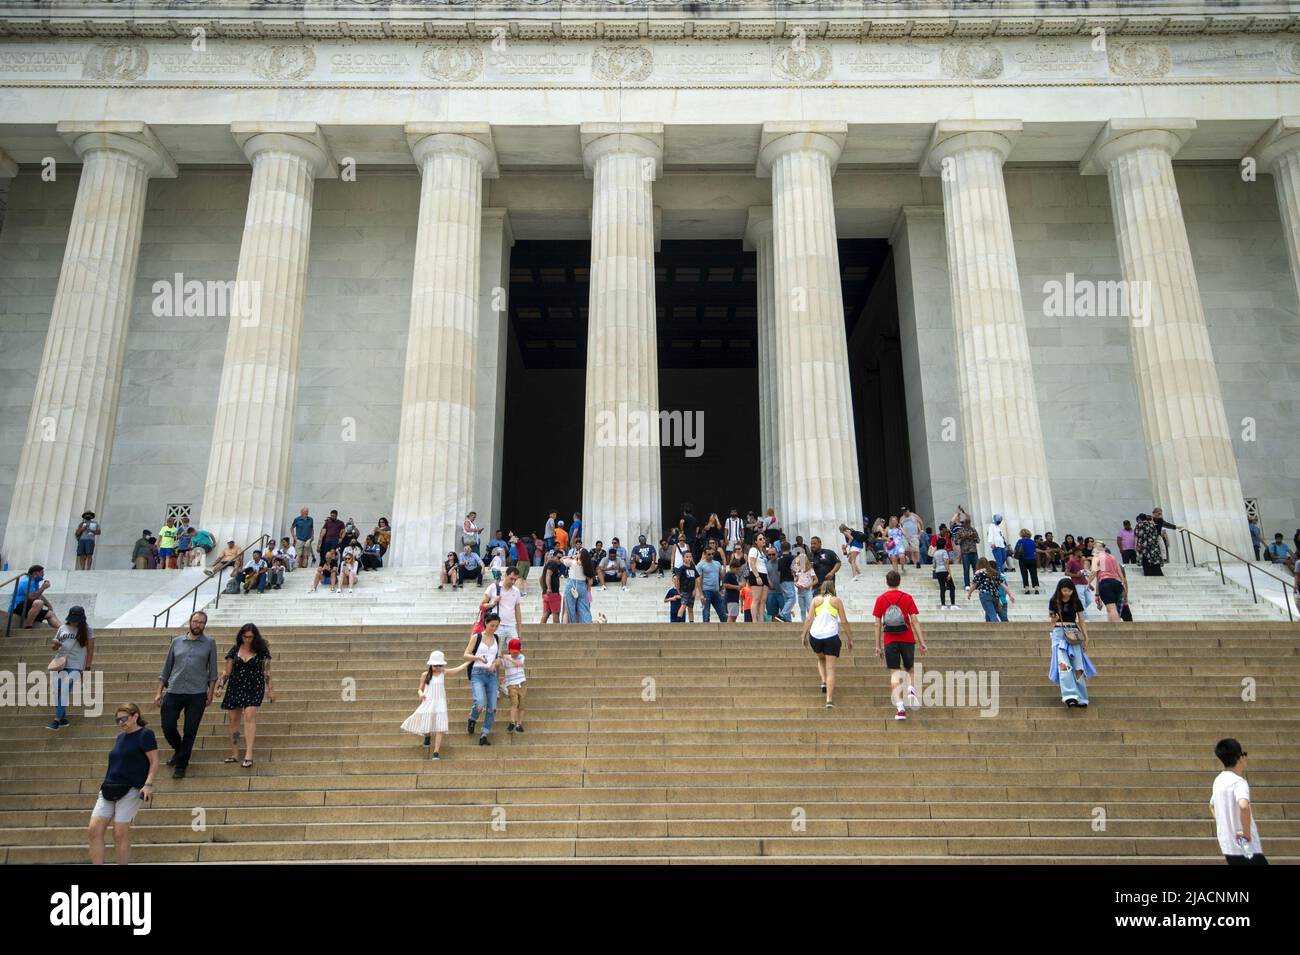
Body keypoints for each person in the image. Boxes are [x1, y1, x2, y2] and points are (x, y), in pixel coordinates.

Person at [88, 703, 158, 865]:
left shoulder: (145, 734)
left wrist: (148, 784)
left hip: (131, 789)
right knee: (94, 830)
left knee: (119, 833)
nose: (121, 722)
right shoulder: (120, 738)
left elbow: (154, 762)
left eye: (124, 719)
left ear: (135, 717)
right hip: (109, 787)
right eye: (117, 720)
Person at [153, 610, 217, 779]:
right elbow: (167, 667)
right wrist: (159, 691)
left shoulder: (210, 643)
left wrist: (210, 692)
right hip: (174, 689)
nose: (198, 625)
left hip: (197, 693)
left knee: (190, 730)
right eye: (195, 621)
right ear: (190, 622)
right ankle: (179, 749)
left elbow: (213, 671)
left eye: (202, 623)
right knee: (168, 726)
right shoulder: (177, 642)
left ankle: (181, 765)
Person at [215, 623, 274, 768]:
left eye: (250, 637)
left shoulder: (262, 651)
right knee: (233, 720)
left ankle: (248, 754)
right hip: (235, 687)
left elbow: (266, 672)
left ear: (255, 637)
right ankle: (235, 753)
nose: (247, 639)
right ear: (241, 636)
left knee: (249, 716)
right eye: (245, 636)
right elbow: (226, 671)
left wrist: (271, 689)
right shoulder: (235, 650)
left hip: (254, 687)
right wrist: (220, 686)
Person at [874, 569, 926, 721]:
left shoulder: (881, 599)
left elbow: (877, 624)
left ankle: (900, 708)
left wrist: (877, 645)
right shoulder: (907, 597)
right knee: (909, 668)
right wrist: (922, 642)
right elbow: (914, 620)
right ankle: (910, 689)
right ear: (899, 581)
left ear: (887, 582)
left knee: (895, 673)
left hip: (890, 640)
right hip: (907, 638)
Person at [401, 650, 471, 760]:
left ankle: (436, 752)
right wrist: (421, 694)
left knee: (440, 726)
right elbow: (420, 689)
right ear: (431, 664)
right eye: (436, 665)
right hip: (428, 701)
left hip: (440, 703)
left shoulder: (443, 672)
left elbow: (456, 670)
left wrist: (467, 663)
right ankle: (427, 736)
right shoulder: (425, 675)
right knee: (426, 723)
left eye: (440, 665)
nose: (438, 667)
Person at [1211, 739, 1266, 865]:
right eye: (1244, 754)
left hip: (1227, 845)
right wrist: (1246, 834)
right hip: (1246, 847)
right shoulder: (1238, 782)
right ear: (1239, 757)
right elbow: (1244, 806)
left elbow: (1212, 805)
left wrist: (1224, 825)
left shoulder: (1218, 781)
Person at [801, 581, 853, 708]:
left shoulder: (815, 600)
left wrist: (803, 635)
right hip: (831, 636)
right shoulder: (836, 601)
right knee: (831, 668)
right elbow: (844, 621)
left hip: (816, 636)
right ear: (833, 589)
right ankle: (829, 699)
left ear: (822, 589)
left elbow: (809, 619)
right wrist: (850, 638)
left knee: (820, 658)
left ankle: (823, 681)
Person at [1047, 578, 1095, 708]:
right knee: (1064, 665)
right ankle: (1070, 696)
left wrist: (1086, 637)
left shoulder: (1076, 601)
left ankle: (1082, 697)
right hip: (1059, 634)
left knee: (1078, 666)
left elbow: (1081, 620)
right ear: (1060, 590)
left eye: (1069, 590)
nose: (1067, 593)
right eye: (1064, 590)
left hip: (1074, 634)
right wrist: (1054, 619)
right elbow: (1050, 622)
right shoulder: (1054, 601)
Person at [47, 605, 93, 731]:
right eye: (72, 618)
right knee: (57, 691)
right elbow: (54, 648)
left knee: (65, 689)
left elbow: (90, 650)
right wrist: (56, 644)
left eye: (76, 619)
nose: (74, 621)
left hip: (76, 666)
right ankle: (63, 719)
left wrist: (87, 669)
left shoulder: (87, 630)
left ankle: (56, 720)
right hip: (60, 663)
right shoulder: (62, 627)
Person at [464, 612, 504, 745]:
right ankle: (472, 718)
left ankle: (484, 734)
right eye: (492, 625)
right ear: (486, 623)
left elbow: (498, 657)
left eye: (496, 626)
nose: (494, 628)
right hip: (478, 673)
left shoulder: (497, 638)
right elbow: (466, 655)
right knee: (480, 703)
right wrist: (478, 657)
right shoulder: (477, 637)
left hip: (491, 674)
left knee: (492, 707)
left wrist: (494, 664)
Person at [482, 566, 524, 647]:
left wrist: (519, 630)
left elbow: (518, 611)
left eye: (515, 579)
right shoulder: (493, 587)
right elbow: (482, 605)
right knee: (497, 652)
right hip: (497, 625)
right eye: (511, 578)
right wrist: (493, 603)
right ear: (505, 575)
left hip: (511, 625)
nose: (513, 581)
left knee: (515, 651)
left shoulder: (516, 591)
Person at [9, 564, 60, 629]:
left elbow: (39, 595)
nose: (43, 574)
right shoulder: (27, 581)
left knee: (50, 614)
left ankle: (64, 630)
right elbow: (31, 597)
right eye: (42, 572)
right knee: (39, 602)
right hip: (17, 608)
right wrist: (43, 587)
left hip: (28, 609)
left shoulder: (34, 582)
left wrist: (49, 605)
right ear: (36, 573)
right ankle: (28, 626)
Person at [1090, 542, 1128, 622]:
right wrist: (1123, 584)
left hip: (1105, 583)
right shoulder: (1113, 557)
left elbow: (1094, 573)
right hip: (1117, 583)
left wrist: (1088, 583)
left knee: (1111, 609)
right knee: (1111, 609)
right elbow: (1120, 573)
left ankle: (1117, 630)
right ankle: (1112, 626)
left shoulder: (1096, 557)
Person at [966, 557, 1010, 622]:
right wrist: (1010, 594)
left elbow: (974, 585)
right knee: (989, 614)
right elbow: (1003, 585)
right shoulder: (994, 572)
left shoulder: (978, 573)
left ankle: (998, 628)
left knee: (992, 615)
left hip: (985, 595)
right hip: (995, 595)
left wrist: (969, 593)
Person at [502, 638, 527, 734]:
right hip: (511, 684)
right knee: (514, 703)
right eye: (513, 652)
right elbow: (499, 663)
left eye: (516, 652)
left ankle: (519, 724)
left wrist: (510, 658)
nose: (515, 654)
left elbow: (519, 664)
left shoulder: (521, 657)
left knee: (522, 705)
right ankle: (512, 722)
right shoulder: (506, 658)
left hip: (522, 683)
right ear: (509, 650)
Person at [563, 549, 595, 624]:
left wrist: (571, 557)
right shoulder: (587, 565)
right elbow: (590, 581)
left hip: (572, 585)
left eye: (578, 552)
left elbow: (562, 559)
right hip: (583, 586)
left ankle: (572, 626)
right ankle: (587, 624)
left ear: (580, 555)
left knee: (570, 609)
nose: (577, 553)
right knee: (584, 608)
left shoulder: (572, 562)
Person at [697, 546, 726, 623]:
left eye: (712, 554)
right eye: (709, 554)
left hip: (716, 591)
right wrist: (701, 594)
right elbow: (698, 580)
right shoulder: (701, 565)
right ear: (704, 554)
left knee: (722, 613)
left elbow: (722, 576)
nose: (711, 556)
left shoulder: (717, 564)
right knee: (706, 613)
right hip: (706, 591)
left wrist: (723, 587)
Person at [745, 533, 770, 624]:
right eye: (760, 539)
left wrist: (768, 579)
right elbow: (752, 563)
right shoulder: (753, 550)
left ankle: (761, 620)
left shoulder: (762, 552)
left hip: (764, 574)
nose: (763, 540)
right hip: (757, 574)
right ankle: (755, 621)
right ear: (755, 541)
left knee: (763, 600)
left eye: (763, 538)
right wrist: (757, 576)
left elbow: (764, 566)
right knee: (756, 599)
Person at [1065, 546, 1092, 619]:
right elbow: (1066, 572)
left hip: (1085, 583)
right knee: (1082, 601)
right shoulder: (1071, 561)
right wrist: (1075, 575)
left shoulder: (1082, 560)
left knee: (1089, 600)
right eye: (1080, 552)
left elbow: (1084, 572)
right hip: (1077, 584)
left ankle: (1078, 611)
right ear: (1076, 553)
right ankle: (1085, 618)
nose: (1082, 553)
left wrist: (1090, 584)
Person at [674, 550, 700, 623]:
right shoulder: (682, 568)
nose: (689, 558)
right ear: (683, 558)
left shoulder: (693, 568)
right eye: (687, 557)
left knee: (690, 608)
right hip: (685, 590)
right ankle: (678, 620)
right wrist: (678, 588)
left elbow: (697, 578)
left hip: (691, 590)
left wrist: (695, 589)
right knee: (683, 605)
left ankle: (691, 622)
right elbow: (677, 578)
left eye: (690, 557)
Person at [931, 536, 956, 609]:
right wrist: (949, 573)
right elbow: (946, 563)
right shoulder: (944, 552)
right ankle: (953, 604)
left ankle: (943, 605)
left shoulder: (935, 553)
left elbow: (934, 565)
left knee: (942, 588)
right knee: (952, 587)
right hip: (944, 571)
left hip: (938, 571)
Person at [1013, 528, 1039, 594]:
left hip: (1023, 560)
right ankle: (1036, 589)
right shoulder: (1032, 542)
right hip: (1032, 559)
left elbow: (1016, 550)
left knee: (1024, 574)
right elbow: (1034, 551)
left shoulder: (1020, 541)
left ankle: (1027, 589)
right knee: (1034, 574)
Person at [540, 550, 564, 624]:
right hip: (553, 593)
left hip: (546, 594)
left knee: (546, 613)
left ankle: (540, 632)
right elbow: (548, 575)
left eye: (561, 558)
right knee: (556, 614)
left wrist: (544, 590)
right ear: (553, 557)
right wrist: (549, 588)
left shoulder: (548, 564)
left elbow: (540, 578)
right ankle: (557, 634)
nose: (560, 559)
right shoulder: (553, 563)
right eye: (558, 557)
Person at [792, 551, 817, 621]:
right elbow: (795, 580)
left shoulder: (810, 570)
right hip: (800, 592)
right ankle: (803, 623)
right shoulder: (798, 570)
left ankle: (813, 622)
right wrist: (797, 585)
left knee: (809, 608)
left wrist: (809, 585)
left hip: (807, 591)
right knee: (802, 609)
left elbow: (816, 580)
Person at [956, 520, 981, 588]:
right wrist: (963, 538)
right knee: (966, 569)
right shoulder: (960, 531)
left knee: (976, 569)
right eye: (966, 523)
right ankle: (967, 584)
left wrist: (974, 537)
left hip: (973, 552)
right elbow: (956, 542)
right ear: (963, 524)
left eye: (969, 523)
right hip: (965, 552)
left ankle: (976, 584)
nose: (968, 524)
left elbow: (978, 540)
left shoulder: (973, 530)